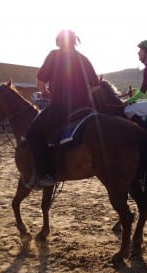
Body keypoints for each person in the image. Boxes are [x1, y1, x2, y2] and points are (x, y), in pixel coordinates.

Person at [27, 29, 99, 187]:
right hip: (85, 109)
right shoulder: (83, 58)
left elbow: (40, 81)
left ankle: (45, 174)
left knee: (33, 134)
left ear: (59, 41)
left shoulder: (54, 55)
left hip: (60, 106)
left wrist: (45, 92)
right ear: (74, 41)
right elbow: (95, 86)